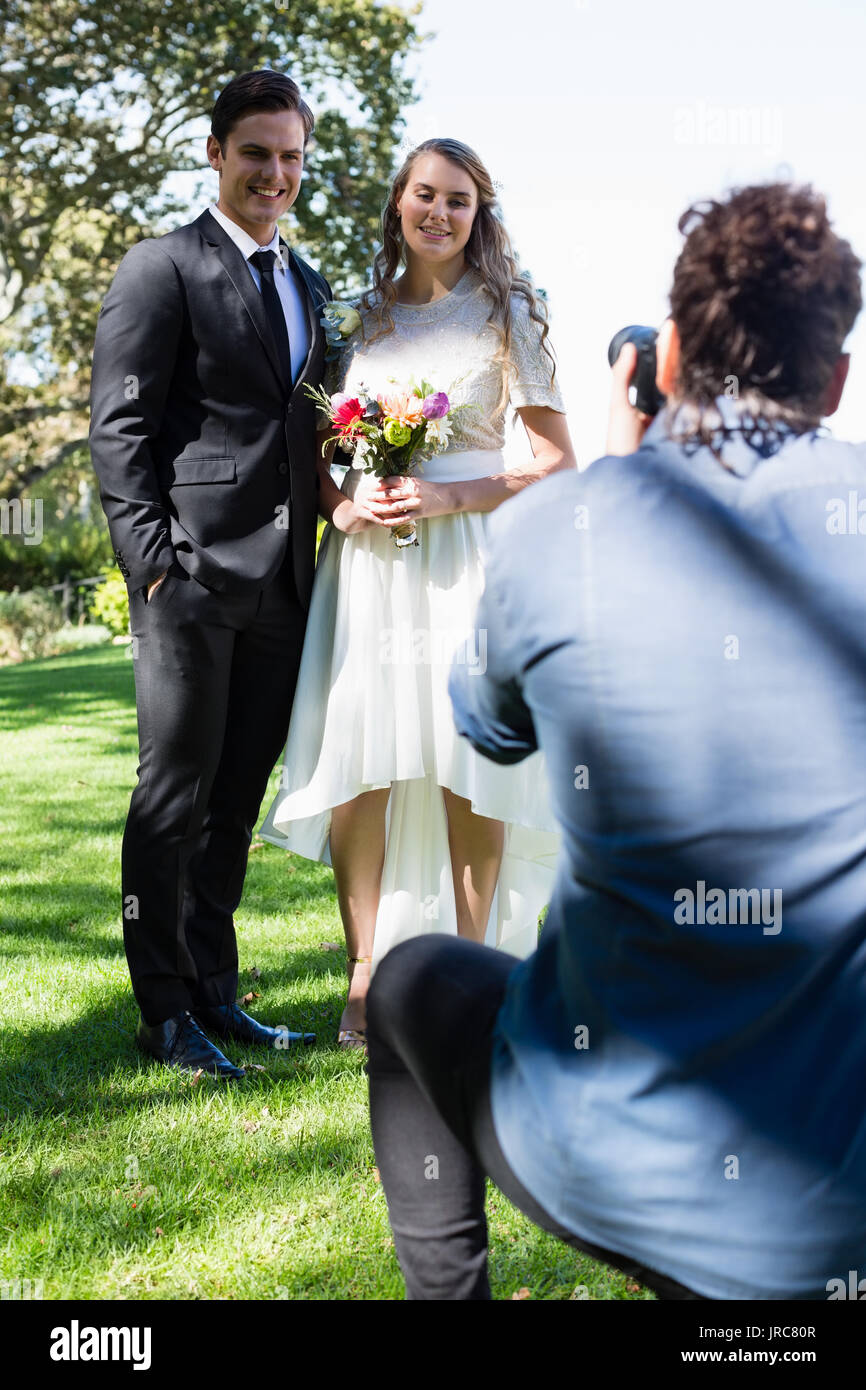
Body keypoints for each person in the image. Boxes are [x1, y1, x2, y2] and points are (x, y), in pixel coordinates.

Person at [365, 180, 866, 1300]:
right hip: (837, 1206)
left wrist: (615, 479)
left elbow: (483, 727)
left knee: (409, 984)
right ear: (833, 379)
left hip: (607, 1160)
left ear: (669, 355)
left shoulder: (563, 530)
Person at [259, 138, 576, 1047]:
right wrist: (341, 501)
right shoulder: (355, 320)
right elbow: (317, 449)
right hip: (369, 569)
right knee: (362, 766)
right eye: (426, 196)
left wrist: (449, 494)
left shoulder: (512, 312)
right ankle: (363, 977)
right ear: (398, 203)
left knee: (465, 767)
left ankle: (472, 975)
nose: (440, 213)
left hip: (468, 559)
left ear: (480, 216)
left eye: (461, 202)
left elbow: (556, 462)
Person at [89, 70, 330, 1078]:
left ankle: (215, 991)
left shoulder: (307, 284)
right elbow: (120, 426)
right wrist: (153, 570)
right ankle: (161, 1008)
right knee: (172, 797)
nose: (274, 173)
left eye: (289, 157)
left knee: (233, 802)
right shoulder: (161, 267)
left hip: (286, 586)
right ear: (216, 154)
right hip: (187, 579)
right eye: (256, 153)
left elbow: (314, 419)